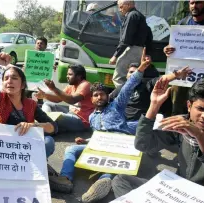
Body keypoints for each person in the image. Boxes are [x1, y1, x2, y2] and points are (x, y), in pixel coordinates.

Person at [48, 49, 151, 202]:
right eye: (95, 95)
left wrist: (141, 68)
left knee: (110, 160)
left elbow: (128, 86)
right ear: (92, 100)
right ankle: (65, 178)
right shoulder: (91, 117)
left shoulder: (117, 106)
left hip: (119, 144)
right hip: (100, 145)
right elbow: (97, 137)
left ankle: (103, 182)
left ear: (107, 97)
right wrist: (86, 142)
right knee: (71, 149)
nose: (99, 97)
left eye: (102, 94)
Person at [111, 77, 204, 198]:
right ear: (189, 106)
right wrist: (154, 105)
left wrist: (199, 135)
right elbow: (142, 144)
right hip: (179, 190)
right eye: (200, 109)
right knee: (121, 180)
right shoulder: (181, 125)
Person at [0, 52, 57, 160]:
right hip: (0, 148)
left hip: (23, 148)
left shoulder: (31, 104)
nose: (9, 81)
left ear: (22, 85)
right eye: (6, 78)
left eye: (14, 78)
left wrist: (32, 126)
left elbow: (53, 127)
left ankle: (30, 166)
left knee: (48, 141)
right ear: (2, 84)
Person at [109, 62, 192, 121]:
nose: (132, 75)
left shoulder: (147, 84)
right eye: (130, 72)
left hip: (144, 122)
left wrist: (176, 75)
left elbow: (162, 79)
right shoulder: (120, 89)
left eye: (135, 72)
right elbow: (107, 101)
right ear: (126, 74)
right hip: (123, 123)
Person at [163, 0, 204, 116]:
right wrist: (166, 50)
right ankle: (177, 129)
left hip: (202, 73)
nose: (194, 6)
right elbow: (172, 46)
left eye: (198, 2)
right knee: (177, 99)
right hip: (183, 73)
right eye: (191, 3)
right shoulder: (183, 23)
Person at [37, 65, 94, 132]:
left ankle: (50, 127)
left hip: (81, 120)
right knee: (47, 104)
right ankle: (48, 123)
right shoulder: (71, 85)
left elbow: (72, 100)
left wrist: (54, 88)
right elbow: (58, 99)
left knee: (58, 116)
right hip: (70, 112)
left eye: (70, 74)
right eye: (67, 74)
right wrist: (44, 95)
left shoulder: (85, 85)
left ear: (79, 76)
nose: (67, 76)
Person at [110, 0, 152, 88]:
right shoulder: (140, 16)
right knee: (133, 77)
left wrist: (115, 55)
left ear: (128, 5)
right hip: (139, 50)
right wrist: (147, 52)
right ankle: (132, 96)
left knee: (118, 77)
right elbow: (149, 35)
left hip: (131, 49)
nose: (119, 9)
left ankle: (123, 98)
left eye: (121, 7)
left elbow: (126, 39)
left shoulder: (131, 15)